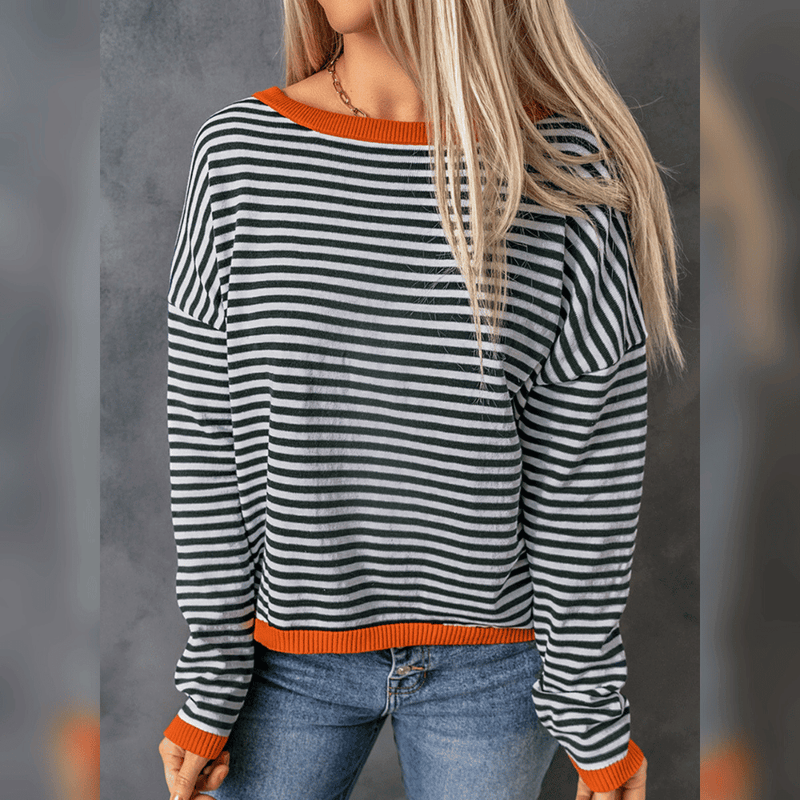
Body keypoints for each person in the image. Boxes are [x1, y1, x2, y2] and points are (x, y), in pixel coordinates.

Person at [158, 1, 684, 798]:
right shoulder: (240, 155)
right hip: (283, 661)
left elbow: (585, 474)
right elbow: (206, 442)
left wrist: (591, 718)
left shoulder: (561, 170)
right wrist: (210, 683)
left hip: (495, 669)